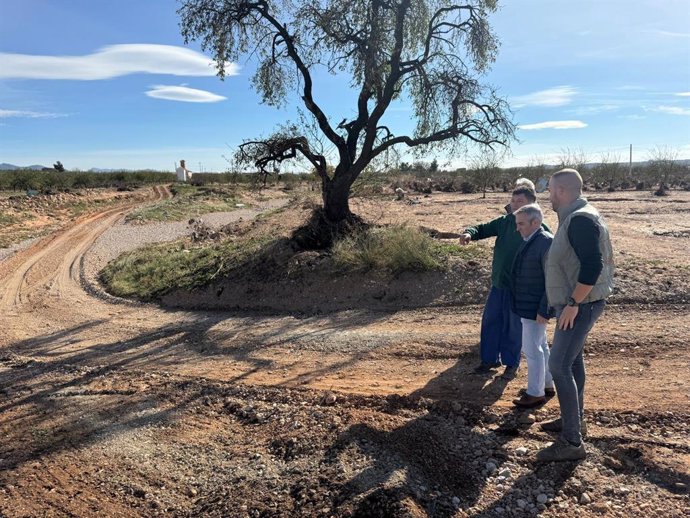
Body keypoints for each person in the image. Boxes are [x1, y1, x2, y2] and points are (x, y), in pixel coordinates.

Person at [536, 168, 614, 462]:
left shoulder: (580, 219)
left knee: (558, 366)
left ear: (562, 191)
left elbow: (592, 266)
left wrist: (572, 303)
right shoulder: (576, 215)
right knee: (572, 361)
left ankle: (571, 441)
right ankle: (575, 420)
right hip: (579, 303)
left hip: (580, 305)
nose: (548, 195)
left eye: (551, 190)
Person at [460, 186, 546, 380]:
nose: (514, 205)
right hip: (499, 284)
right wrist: (469, 233)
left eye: (519, 202)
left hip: (520, 290)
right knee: (491, 322)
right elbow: (482, 228)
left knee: (514, 327)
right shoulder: (505, 222)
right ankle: (489, 360)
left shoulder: (540, 230)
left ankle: (511, 364)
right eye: (513, 200)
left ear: (532, 204)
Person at [509, 203, 555, 408]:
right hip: (530, 305)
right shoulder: (533, 240)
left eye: (521, 224)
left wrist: (544, 309)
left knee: (532, 349)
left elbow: (552, 281)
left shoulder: (544, 243)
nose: (517, 228)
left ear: (536, 222)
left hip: (535, 307)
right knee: (541, 345)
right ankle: (546, 384)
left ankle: (535, 393)